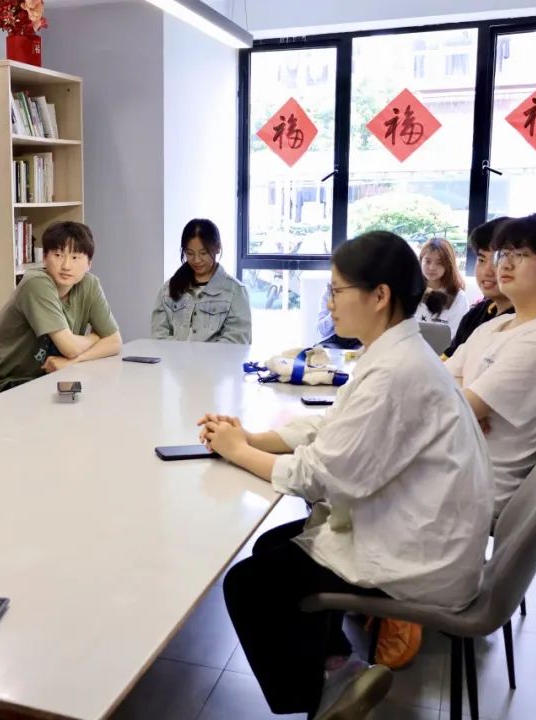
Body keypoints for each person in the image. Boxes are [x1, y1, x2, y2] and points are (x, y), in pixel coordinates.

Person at [199, 231, 492, 719]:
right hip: (417, 527)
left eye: (337, 290)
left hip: (420, 554)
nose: (329, 302)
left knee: (248, 586)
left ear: (379, 296)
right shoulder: (394, 353)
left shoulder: (395, 371)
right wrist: (251, 438)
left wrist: (237, 451)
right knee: (271, 546)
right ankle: (339, 666)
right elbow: (332, 427)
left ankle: (321, 700)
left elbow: (319, 476)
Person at [446, 214, 536, 516]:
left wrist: (459, 404)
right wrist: (462, 404)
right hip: (451, 463)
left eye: (520, 255)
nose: (504, 264)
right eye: (504, 254)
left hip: (468, 490)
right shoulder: (497, 325)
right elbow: (439, 385)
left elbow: (442, 409)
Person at [0, 221, 121, 395]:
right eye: (58, 255)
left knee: (101, 396)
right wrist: (95, 337)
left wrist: (73, 361)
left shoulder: (89, 284)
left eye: (75, 257)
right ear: (45, 257)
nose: (66, 266)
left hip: (48, 379)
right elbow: (70, 348)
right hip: (5, 386)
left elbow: (114, 342)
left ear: (89, 263)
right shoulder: (36, 283)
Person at [150, 218, 251, 343]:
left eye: (203, 253)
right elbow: (159, 337)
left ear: (217, 248)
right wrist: (181, 353)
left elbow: (235, 343)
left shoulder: (236, 291)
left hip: (217, 357)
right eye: (190, 253)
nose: (197, 260)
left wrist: (197, 353)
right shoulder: (168, 289)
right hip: (174, 356)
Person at [444, 218, 513, 357]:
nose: (487, 271)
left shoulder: (524, 322)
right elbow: (448, 360)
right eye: (481, 260)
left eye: (498, 260)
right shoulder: (475, 315)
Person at [415, 237, 470, 336]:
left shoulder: (458, 297)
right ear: (421, 261)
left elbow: (458, 335)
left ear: (448, 265)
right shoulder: (411, 291)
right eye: (427, 261)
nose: (432, 267)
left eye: (439, 263)